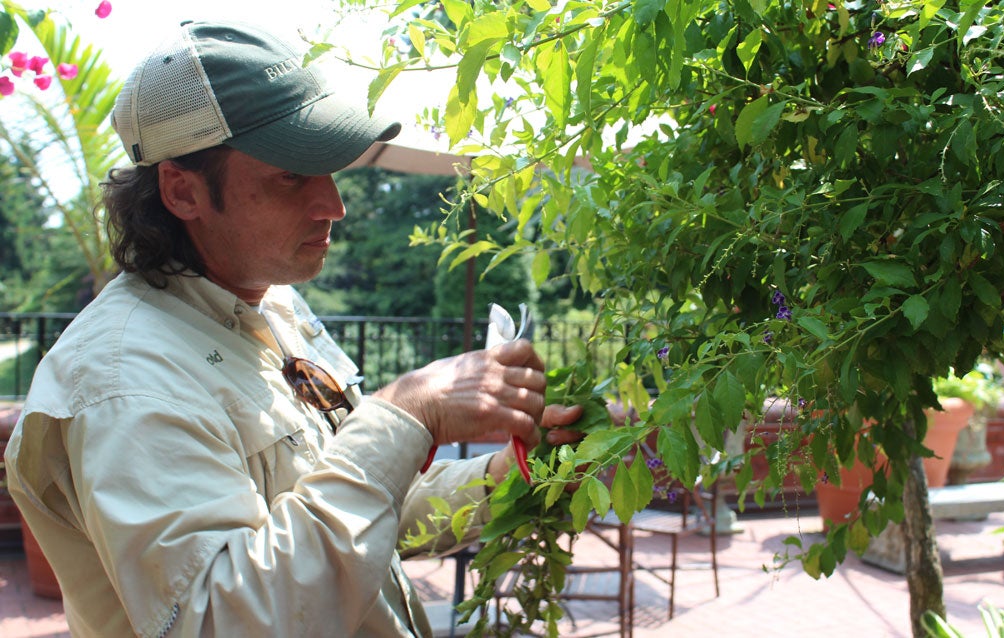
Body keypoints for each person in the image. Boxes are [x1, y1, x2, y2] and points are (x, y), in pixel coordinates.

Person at [3, 19, 582, 637]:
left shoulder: (268, 310)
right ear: (182, 191)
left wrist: (513, 473)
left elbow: (360, 514)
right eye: (290, 175)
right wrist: (404, 412)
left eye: (329, 171)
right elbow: (223, 621)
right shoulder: (125, 379)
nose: (332, 204)